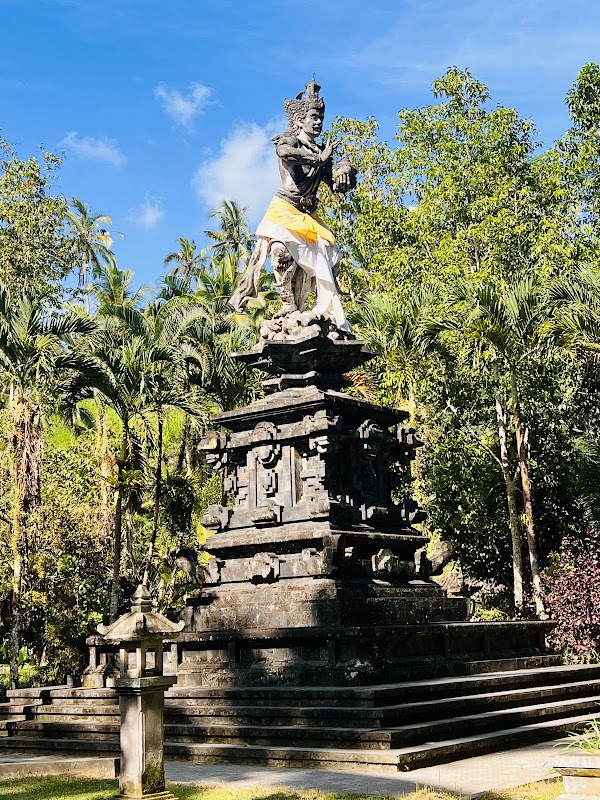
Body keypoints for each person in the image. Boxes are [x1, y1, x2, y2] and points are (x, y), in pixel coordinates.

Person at [231, 77, 356, 331]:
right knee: (279, 250)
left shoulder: (323, 151)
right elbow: (286, 154)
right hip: (284, 209)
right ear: (300, 120)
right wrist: (319, 158)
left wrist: (346, 169)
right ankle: (288, 303)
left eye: (321, 117)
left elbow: (335, 183)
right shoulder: (290, 142)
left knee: (330, 255)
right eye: (314, 116)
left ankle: (311, 306)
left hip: (308, 215)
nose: (319, 121)